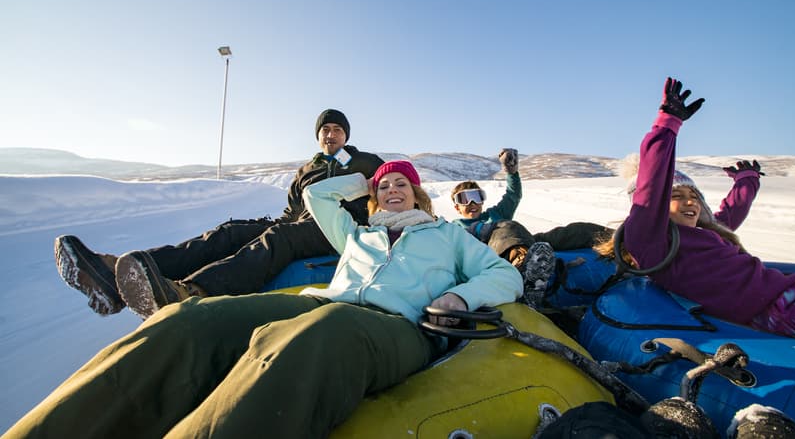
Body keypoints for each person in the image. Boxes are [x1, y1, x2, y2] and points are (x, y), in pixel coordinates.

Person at [6, 160, 522, 438]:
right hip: (329, 303)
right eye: (385, 186)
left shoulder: (447, 235)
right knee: (190, 322)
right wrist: (364, 176)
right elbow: (319, 198)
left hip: (397, 328)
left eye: (402, 186)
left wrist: (457, 296)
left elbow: (503, 275)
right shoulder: (358, 234)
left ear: (420, 195)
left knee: (311, 340)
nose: (392, 191)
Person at [54, 108, 384, 319]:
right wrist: (255, 227)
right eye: (324, 129)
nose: (330, 134)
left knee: (281, 238)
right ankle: (115, 275)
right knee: (231, 231)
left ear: (346, 136)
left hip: (339, 230)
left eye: (336, 130)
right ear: (317, 136)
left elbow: (397, 187)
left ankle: (191, 291)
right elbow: (291, 212)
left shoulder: (365, 161)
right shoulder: (306, 169)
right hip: (302, 227)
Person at [595, 77, 795, 337]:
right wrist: (667, 124)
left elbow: (731, 212)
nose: (690, 201)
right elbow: (651, 188)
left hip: (787, 289)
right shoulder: (652, 245)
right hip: (779, 310)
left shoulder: (705, 231)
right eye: (676, 195)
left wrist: (747, 180)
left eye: (694, 195)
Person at [451, 148, 611, 307]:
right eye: (465, 199)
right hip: (495, 252)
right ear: (457, 207)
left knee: (576, 230)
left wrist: (512, 173)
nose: (472, 203)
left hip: (522, 241)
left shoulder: (496, 213)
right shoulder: (454, 228)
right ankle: (523, 273)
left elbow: (513, 195)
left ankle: (623, 242)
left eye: (476, 197)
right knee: (506, 226)